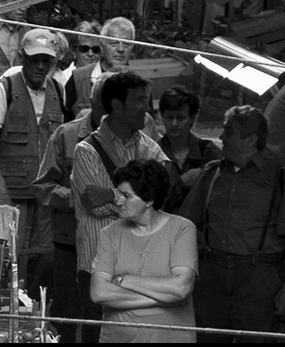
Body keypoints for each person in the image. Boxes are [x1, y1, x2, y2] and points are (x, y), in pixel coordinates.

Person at [179, 106, 285, 342]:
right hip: (212, 276)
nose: (220, 138)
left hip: (259, 279)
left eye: (228, 132)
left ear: (250, 139)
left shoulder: (281, 177)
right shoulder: (211, 173)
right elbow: (184, 226)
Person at [70, 71, 168, 343]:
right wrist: (141, 197)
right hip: (97, 271)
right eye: (139, 101)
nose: (147, 108)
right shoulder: (86, 151)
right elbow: (95, 206)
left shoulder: (149, 147)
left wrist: (111, 194)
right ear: (117, 105)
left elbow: (162, 199)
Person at [0, 28, 64, 296]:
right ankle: (4, 312)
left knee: (44, 256)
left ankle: (37, 313)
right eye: (34, 59)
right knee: (7, 257)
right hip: (11, 192)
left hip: (46, 195)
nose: (40, 66)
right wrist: (0, 189)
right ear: (21, 57)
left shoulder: (59, 91)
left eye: (46, 60)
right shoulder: (2, 89)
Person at [33, 73, 113, 344]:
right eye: (104, 106)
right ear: (94, 101)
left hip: (117, 244)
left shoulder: (138, 136)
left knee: (106, 317)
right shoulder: (66, 135)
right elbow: (43, 187)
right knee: (67, 313)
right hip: (70, 243)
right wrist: (74, 198)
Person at [91, 159, 198, 343]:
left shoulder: (182, 229)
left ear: (149, 199)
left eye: (126, 195)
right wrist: (166, 298)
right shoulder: (109, 234)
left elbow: (181, 288)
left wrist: (125, 280)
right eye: (119, 193)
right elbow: (99, 292)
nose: (118, 201)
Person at [156, 86, 220, 213]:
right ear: (161, 116)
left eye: (180, 118)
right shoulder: (153, 153)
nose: (174, 124)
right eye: (169, 117)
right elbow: (148, 205)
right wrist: (181, 184)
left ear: (193, 118)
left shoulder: (209, 153)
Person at [64, 17, 137, 119]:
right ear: (102, 44)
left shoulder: (139, 84)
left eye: (126, 43)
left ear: (133, 48)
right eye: (114, 43)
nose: (120, 49)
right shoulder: (78, 79)